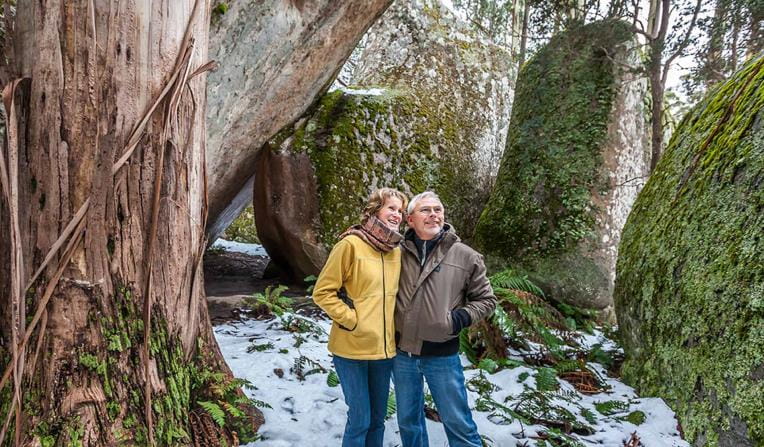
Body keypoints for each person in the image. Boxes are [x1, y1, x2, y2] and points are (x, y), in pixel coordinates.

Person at [393, 191, 497, 447]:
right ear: (410, 220)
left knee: (457, 421)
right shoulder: (395, 252)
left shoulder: (465, 256)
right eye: (425, 210)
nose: (433, 215)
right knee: (408, 421)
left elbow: (486, 300)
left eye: (437, 210)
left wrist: (458, 319)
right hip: (401, 354)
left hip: (442, 355)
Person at [313, 188, 409, 447]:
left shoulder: (396, 251)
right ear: (376, 208)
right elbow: (322, 292)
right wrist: (353, 320)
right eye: (391, 208)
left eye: (400, 211)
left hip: (384, 351)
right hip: (351, 349)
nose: (396, 215)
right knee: (360, 419)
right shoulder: (350, 244)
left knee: (378, 419)